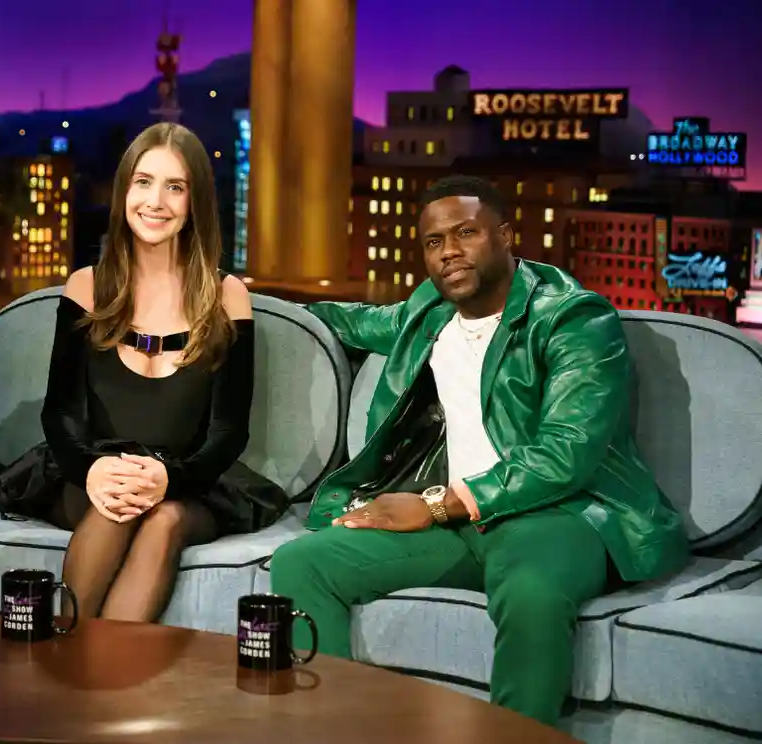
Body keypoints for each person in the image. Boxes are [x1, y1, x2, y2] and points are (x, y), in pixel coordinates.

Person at [268, 175, 689, 727]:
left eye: (466, 233)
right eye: (434, 242)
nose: (450, 252)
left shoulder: (575, 318)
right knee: (301, 561)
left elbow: (566, 452)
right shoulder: (429, 314)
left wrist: (437, 503)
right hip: (461, 526)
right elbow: (350, 320)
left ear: (506, 235)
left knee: (532, 590)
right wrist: (237, 299)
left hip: (565, 514)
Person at [0, 122, 286, 622]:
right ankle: (68, 656)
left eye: (176, 187)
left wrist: (169, 478)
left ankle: (90, 670)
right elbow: (59, 413)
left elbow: (229, 429)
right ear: (124, 190)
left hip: (189, 481)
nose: (156, 201)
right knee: (114, 506)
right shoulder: (86, 287)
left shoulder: (226, 296)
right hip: (90, 472)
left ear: (196, 203)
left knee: (164, 519)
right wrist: (93, 471)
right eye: (143, 182)